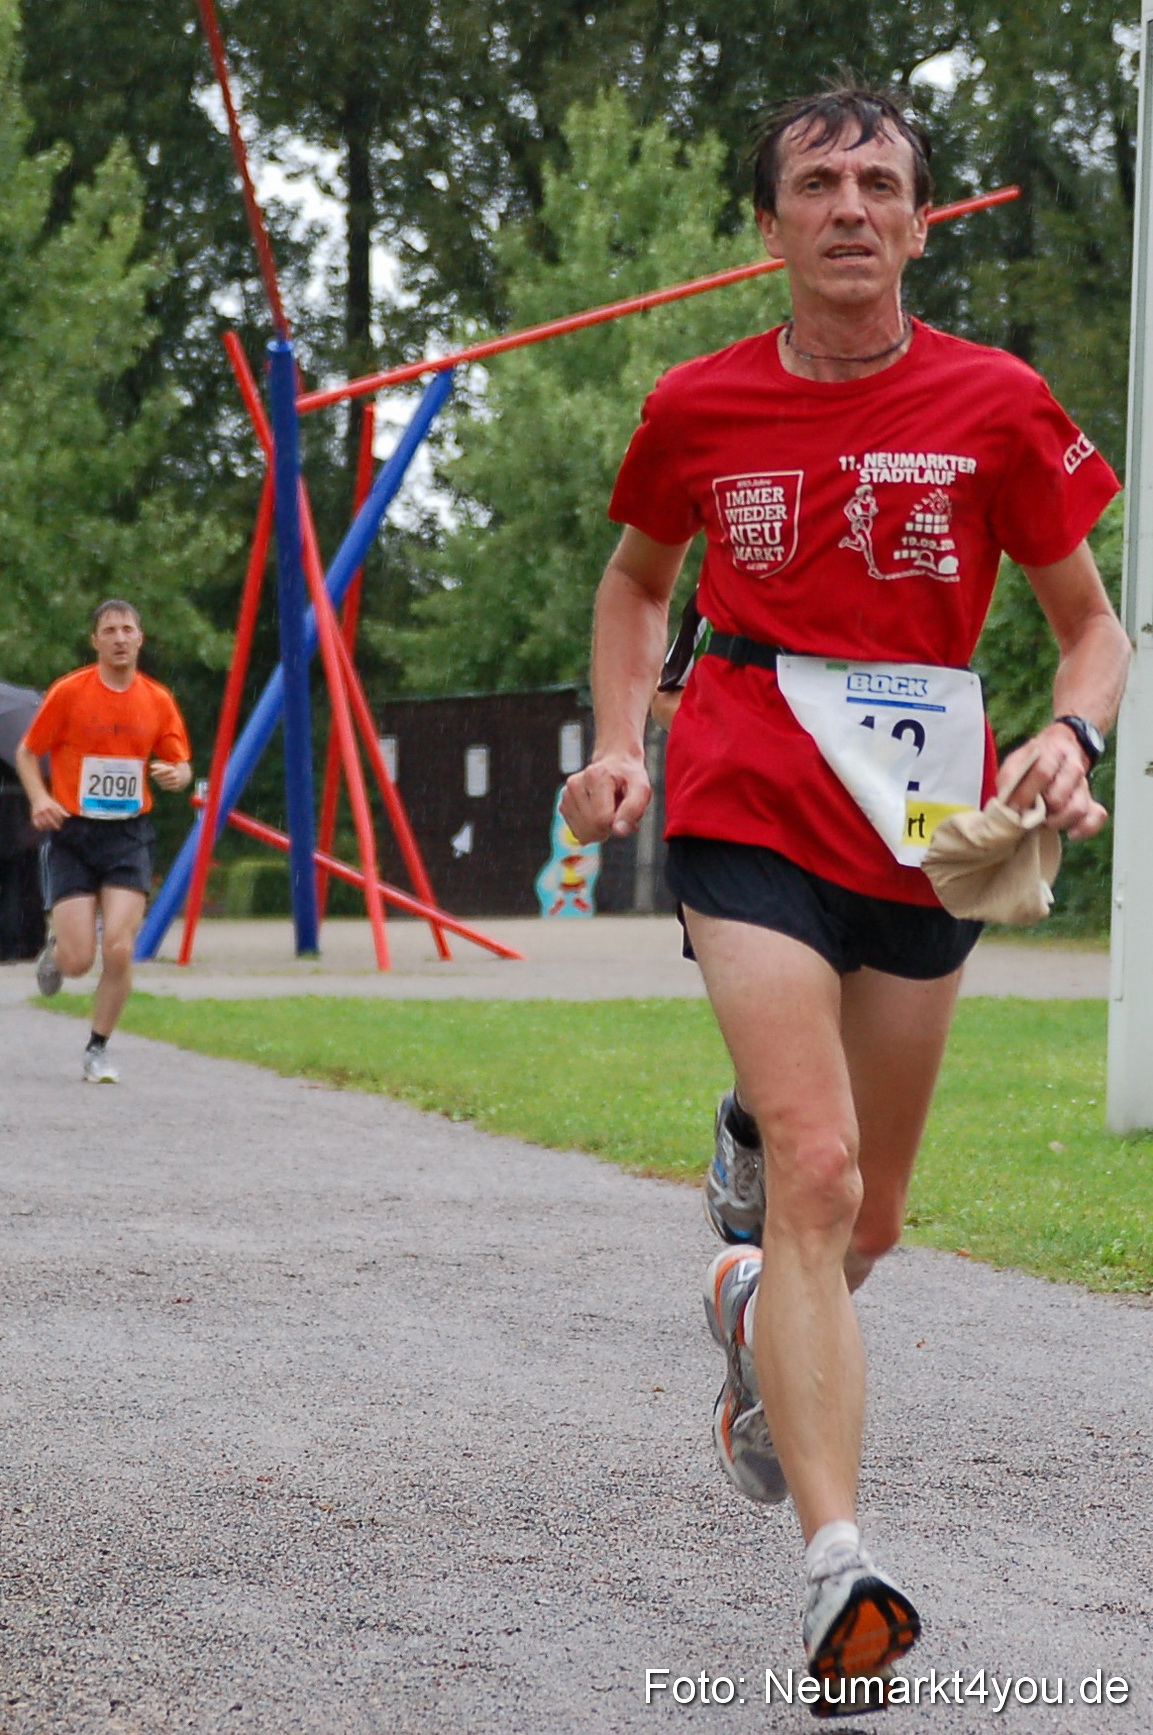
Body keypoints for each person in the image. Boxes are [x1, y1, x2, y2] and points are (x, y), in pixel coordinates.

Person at [561, 83, 1130, 1702]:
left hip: (933, 800)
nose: (849, 206)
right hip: (742, 773)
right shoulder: (694, 407)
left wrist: (1069, 732)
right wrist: (618, 741)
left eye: (880, 181)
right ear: (769, 227)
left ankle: (746, 1304)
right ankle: (838, 1573)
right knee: (815, 1165)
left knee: (862, 1220)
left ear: (920, 219)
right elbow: (632, 582)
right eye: (815, 182)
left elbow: (1093, 626)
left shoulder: (997, 403)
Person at [15, 600, 192, 1083]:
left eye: (127, 629)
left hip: (128, 834)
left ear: (140, 639)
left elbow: (180, 762)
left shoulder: (156, 699)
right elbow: (28, 753)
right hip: (72, 833)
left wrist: (177, 774)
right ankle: (57, 949)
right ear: (95, 641)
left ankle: (98, 1048)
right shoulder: (70, 692)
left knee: (118, 946)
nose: (118, 638)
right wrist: (38, 800)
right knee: (78, 961)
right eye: (109, 630)